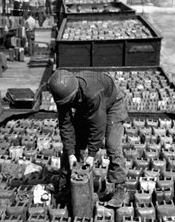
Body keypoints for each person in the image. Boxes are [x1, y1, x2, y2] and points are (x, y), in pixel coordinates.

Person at [48, 69, 128, 206]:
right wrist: (71, 154)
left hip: (112, 103)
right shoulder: (62, 93)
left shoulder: (92, 93)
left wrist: (91, 155)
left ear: (74, 93)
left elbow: (97, 125)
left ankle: (120, 189)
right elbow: (66, 126)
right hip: (86, 105)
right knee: (75, 145)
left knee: (112, 145)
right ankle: (66, 184)